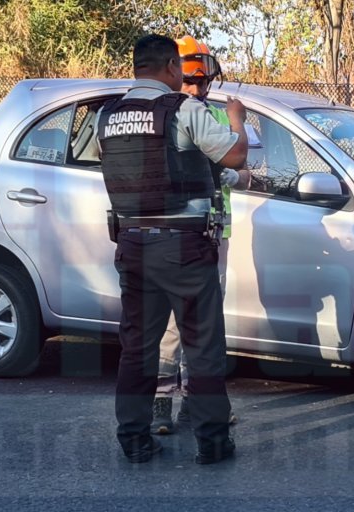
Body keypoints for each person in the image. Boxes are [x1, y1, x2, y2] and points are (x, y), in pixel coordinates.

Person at [97, 34, 248, 464]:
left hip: (132, 244)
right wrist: (236, 118)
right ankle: (214, 443)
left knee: (137, 348)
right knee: (202, 346)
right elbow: (236, 155)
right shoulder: (183, 109)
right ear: (169, 68)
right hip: (183, 245)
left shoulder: (105, 117)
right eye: (180, 68)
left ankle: (134, 440)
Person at [151, 35, 250, 434]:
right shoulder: (175, 115)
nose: (196, 89)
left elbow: (242, 168)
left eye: (202, 82)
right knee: (178, 325)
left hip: (210, 232)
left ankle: (192, 404)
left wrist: (235, 176)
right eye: (190, 82)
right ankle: (165, 405)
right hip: (182, 233)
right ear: (176, 75)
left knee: (196, 323)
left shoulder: (209, 116)